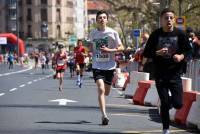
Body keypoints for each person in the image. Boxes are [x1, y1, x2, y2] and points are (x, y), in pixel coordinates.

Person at [140, 8, 192, 134]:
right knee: (164, 101)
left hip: (175, 73)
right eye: (166, 18)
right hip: (160, 73)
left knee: (178, 104)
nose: (168, 20)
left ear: (174, 20)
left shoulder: (180, 34)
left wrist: (181, 56)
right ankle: (165, 129)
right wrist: (157, 52)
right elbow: (146, 53)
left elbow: (189, 51)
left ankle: (167, 104)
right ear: (161, 20)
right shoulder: (156, 34)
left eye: (171, 18)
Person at [89, 10, 124, 125]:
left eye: (104, 17)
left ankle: (103, 110)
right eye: (100, 18)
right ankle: (104, 115)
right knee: (101, 88)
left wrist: (109, 50)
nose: (102, 19)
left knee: (107, 92)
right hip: (97, 65)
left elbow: (121, 47)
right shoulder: (93, 33)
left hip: (109, 66)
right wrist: (89, 51)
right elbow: (91, 47)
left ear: (107, 20)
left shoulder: (113, 32)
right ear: (97, 20)